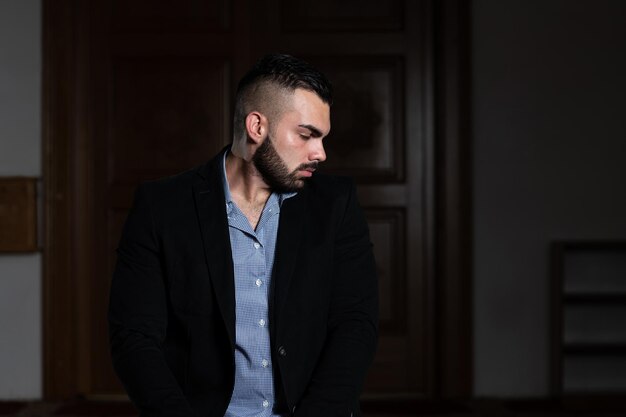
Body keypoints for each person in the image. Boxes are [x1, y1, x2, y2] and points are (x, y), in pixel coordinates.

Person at [108, 53, 378, 417]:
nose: (321, 153)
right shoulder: (162, 207)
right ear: (257, 127)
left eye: (323, 137)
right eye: (306, 135)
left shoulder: (336, 205)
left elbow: (354, 324)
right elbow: (134, 339)